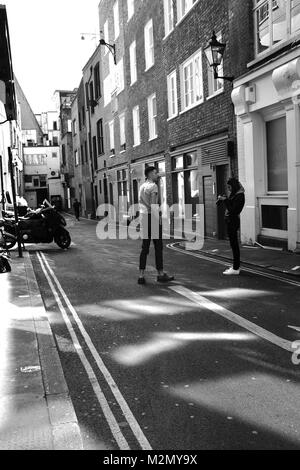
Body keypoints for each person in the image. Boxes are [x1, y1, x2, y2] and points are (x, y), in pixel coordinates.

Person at [138, 166, 174, 285]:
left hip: (144, 217)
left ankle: (141, 275)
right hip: (152, 217)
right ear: (149, 174)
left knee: (145, 247)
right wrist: (158, 219)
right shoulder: (153, 186)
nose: (156, 174)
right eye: (154, 173)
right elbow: (154, 205)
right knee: (158, 247)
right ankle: (160, 274)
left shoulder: (142, 186)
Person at [217, 177, 245, 276]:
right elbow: (231, 205)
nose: (228, 189)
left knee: (234, 246)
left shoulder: (240, 196)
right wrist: (224, 199)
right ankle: (235, 266)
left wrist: (226, 201)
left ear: (234, 186)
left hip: (233, 222)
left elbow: (233, 210)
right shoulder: (235, 195)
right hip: (230, 222)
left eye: (229, 187)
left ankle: (236, 268)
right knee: (233, 245)